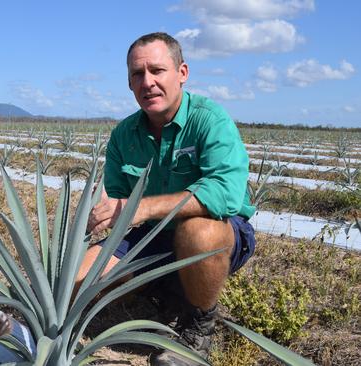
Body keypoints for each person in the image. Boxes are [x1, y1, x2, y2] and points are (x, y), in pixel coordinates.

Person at [76, 32, 256, 366]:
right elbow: (117, 197)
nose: (147, 82)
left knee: (197, 233)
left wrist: (140, 207)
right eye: (137, 74)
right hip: (152, 235)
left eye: (157, 70)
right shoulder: (124, 134)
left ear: (182, 73)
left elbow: (225, 194)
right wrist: (99, 212)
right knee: (78, 281)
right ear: (129, 82)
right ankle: (163, 289)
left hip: (218, 231)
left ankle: (199, 323)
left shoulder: (209, 120)